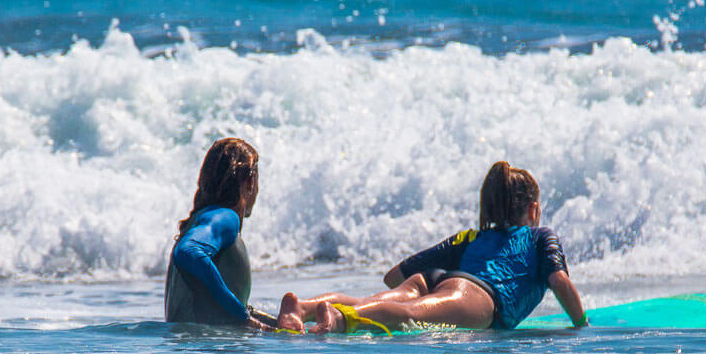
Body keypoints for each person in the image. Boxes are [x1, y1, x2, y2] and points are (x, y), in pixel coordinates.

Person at [276, 161, 588, 334]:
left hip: (433, 278)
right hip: (477, 295)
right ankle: (340, 319)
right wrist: (580, 324)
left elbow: (395, 275)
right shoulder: (539, 236)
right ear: (533, 210)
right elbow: (559, 281)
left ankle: (302, 307)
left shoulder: (469, 237)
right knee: (408, 314)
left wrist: (435, 293)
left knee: (378, 301)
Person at [165, 137, 276, 329]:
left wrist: (273, 325)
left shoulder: (200, 220)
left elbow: (216, 307)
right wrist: (242, 317)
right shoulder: (225, 217)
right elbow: (188, 251)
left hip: (189, 352)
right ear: (250, 182)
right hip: (209, 350)